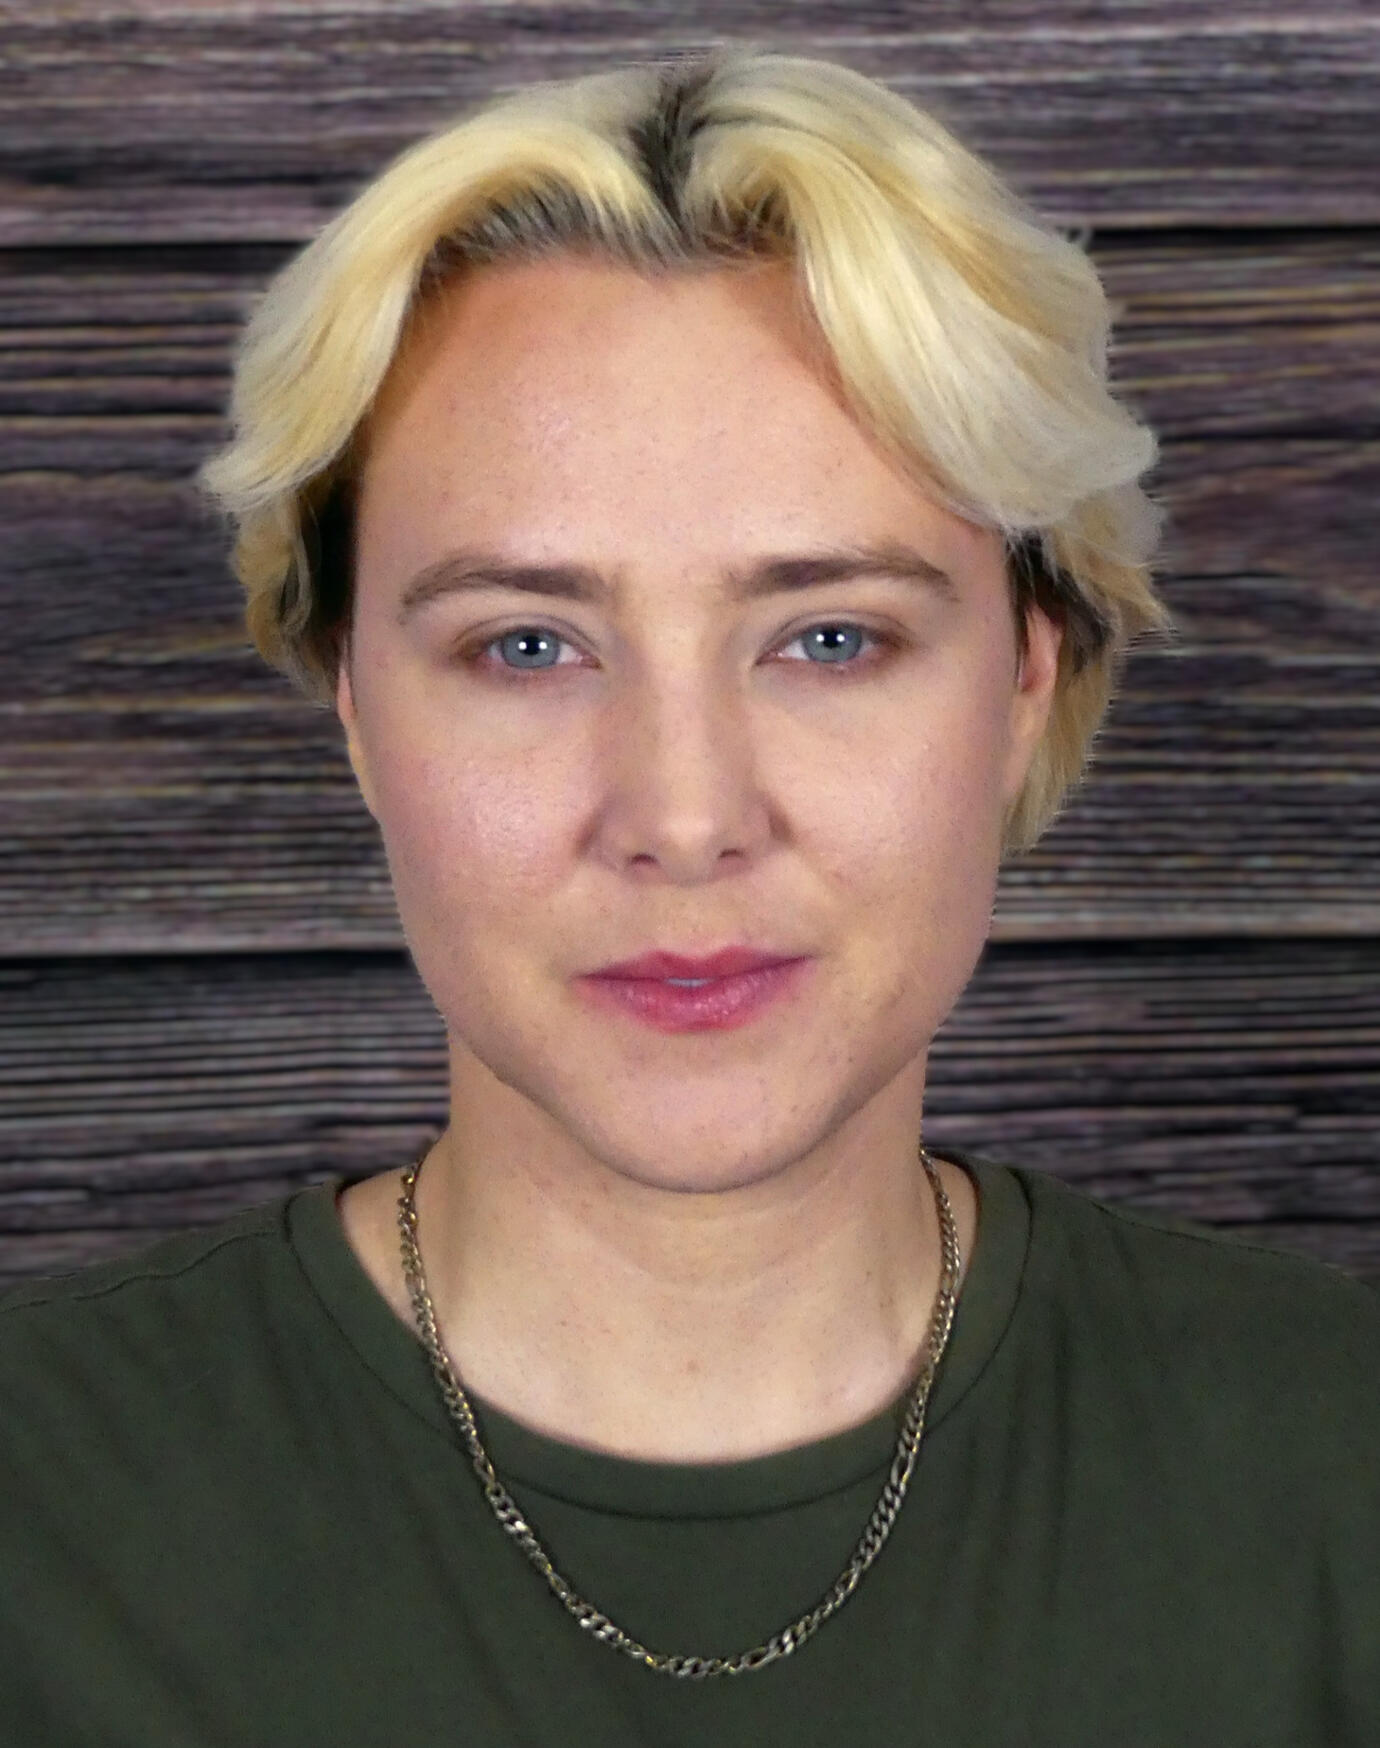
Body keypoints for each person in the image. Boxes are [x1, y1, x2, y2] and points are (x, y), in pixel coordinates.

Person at [2, 42, 1376, 1748]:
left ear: (1025, 680)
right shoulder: (39, 1519)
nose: (683, 816)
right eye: (524, 644)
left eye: (828, 637)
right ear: (352, 700)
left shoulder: (1342, 1471)